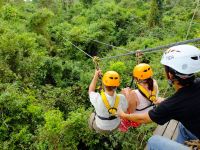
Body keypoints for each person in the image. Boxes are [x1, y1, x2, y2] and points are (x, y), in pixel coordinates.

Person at [117, 45, 200, 149]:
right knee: (183, 126)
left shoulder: (171, 105)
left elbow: (144, 119)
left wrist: (123, 115)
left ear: (169, 75)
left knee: (153, 141)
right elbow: (185, 102)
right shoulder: (158, 88)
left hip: (139, 114)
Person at [119, 63, 160, 132]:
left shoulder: (134, 94)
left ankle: (126, 124)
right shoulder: (154, 83)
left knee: (122, 96)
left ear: (136, 79)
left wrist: (126, 93)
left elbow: (129, 112)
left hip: (138, 119)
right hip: (149, 112)